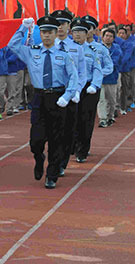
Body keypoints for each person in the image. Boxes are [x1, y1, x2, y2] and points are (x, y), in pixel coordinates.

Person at [8, 15, 77, 189]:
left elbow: (73, 77)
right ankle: (39, 158)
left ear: (55, 34)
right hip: (39, 98)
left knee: (56, 139)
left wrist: (67, 97)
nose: (46, 35)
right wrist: (23, 28)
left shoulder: (63, 55)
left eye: (50, 32)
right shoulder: (32, 51)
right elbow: (12, 45)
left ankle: (51, 175)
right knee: (36, 139)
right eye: (44, 32)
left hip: (58, 98)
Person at [50, 10, 87, 177]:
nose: (60, 27)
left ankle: (61, 162)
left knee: (67, 131)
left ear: (69, 27)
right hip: (53, 94)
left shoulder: (76, 48)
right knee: (52, 131)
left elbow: (81, 72)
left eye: (63, 24)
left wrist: (77, 91)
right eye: (57, 24)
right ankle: (54, 161)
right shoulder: (48, 47)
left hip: (71, 95)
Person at [72, 18, 103, 163]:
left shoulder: (92, 51)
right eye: (75, 31)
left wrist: (94, 85)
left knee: (86, 120)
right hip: (71, 88)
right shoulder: (66, 49)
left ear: (86, 34)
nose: (77, 34)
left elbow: (98, 70)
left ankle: (82, 150)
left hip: (88, 89)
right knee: (71, 119)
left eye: (80, 32)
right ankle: (71, 145)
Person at [98, 28, 122, 128]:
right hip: (100, 79)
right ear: (102, 37)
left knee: (112, 100)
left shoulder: (116, 49)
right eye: (106, 36)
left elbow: (115, 62)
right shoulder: (97, 48)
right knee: (102, 99)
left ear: (113, 38)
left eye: (110, 36)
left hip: (112, 78)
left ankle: (110, 116)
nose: (108, 38)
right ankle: (102, 119)